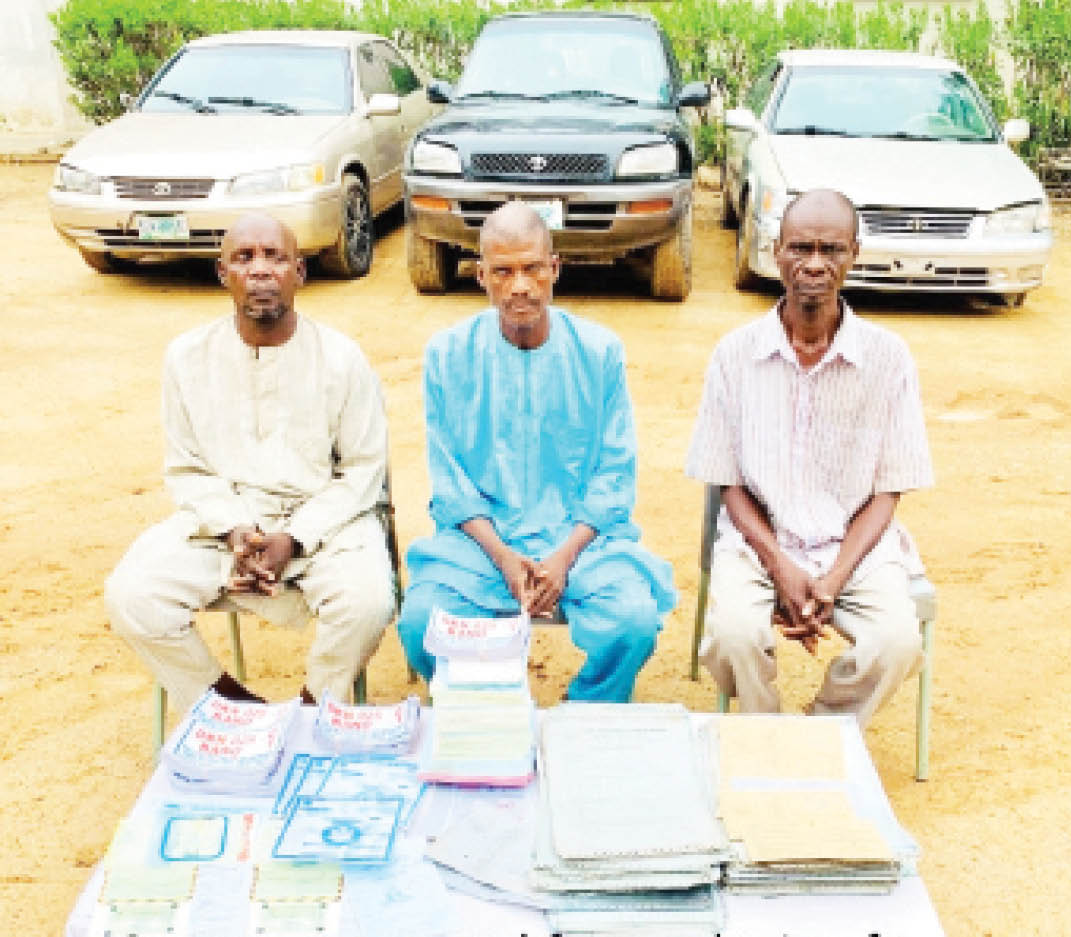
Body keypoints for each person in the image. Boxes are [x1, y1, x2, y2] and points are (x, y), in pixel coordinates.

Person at [105, 213, 394, 711]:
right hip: (224, 525)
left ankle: (312, 709)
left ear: (299, 272)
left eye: (275, 257)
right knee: (131, 595)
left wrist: (293, 538)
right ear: (224, 275)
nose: (260, 270)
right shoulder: (187, 357)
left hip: (326, 525)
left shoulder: (342, 358)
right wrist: (238, 533)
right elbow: (187, 469)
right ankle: (231, 709)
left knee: (368, 603)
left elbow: (363, 470)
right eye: (244, 258)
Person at [398, 202, 675, 702]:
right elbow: (451, 483)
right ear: (482, 276)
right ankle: (491, 710)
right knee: (421, 624)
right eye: (503, 272)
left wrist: (565, 556)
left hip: (581, 542)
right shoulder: (448, 355)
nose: (519, 286)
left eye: (531, 269)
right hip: (482, 546)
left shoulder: (599, 352)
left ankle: (583, 710)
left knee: (633, 622)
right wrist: (504, 556)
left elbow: (614, 473)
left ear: (554, 269)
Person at [686, 189, 933, 727]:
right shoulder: (734, 354)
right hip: (758, 544)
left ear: (854, 255)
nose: (814, 264)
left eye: (831, 249)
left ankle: (824, 733)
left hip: (855, 549)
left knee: (896, 643)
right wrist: (780, 566)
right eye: (801, 248)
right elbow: (729, 484)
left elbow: (889, 490)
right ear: (777, 252)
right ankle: (766, 731)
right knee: (732, 636)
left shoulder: (888, 359)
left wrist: (834, 578)